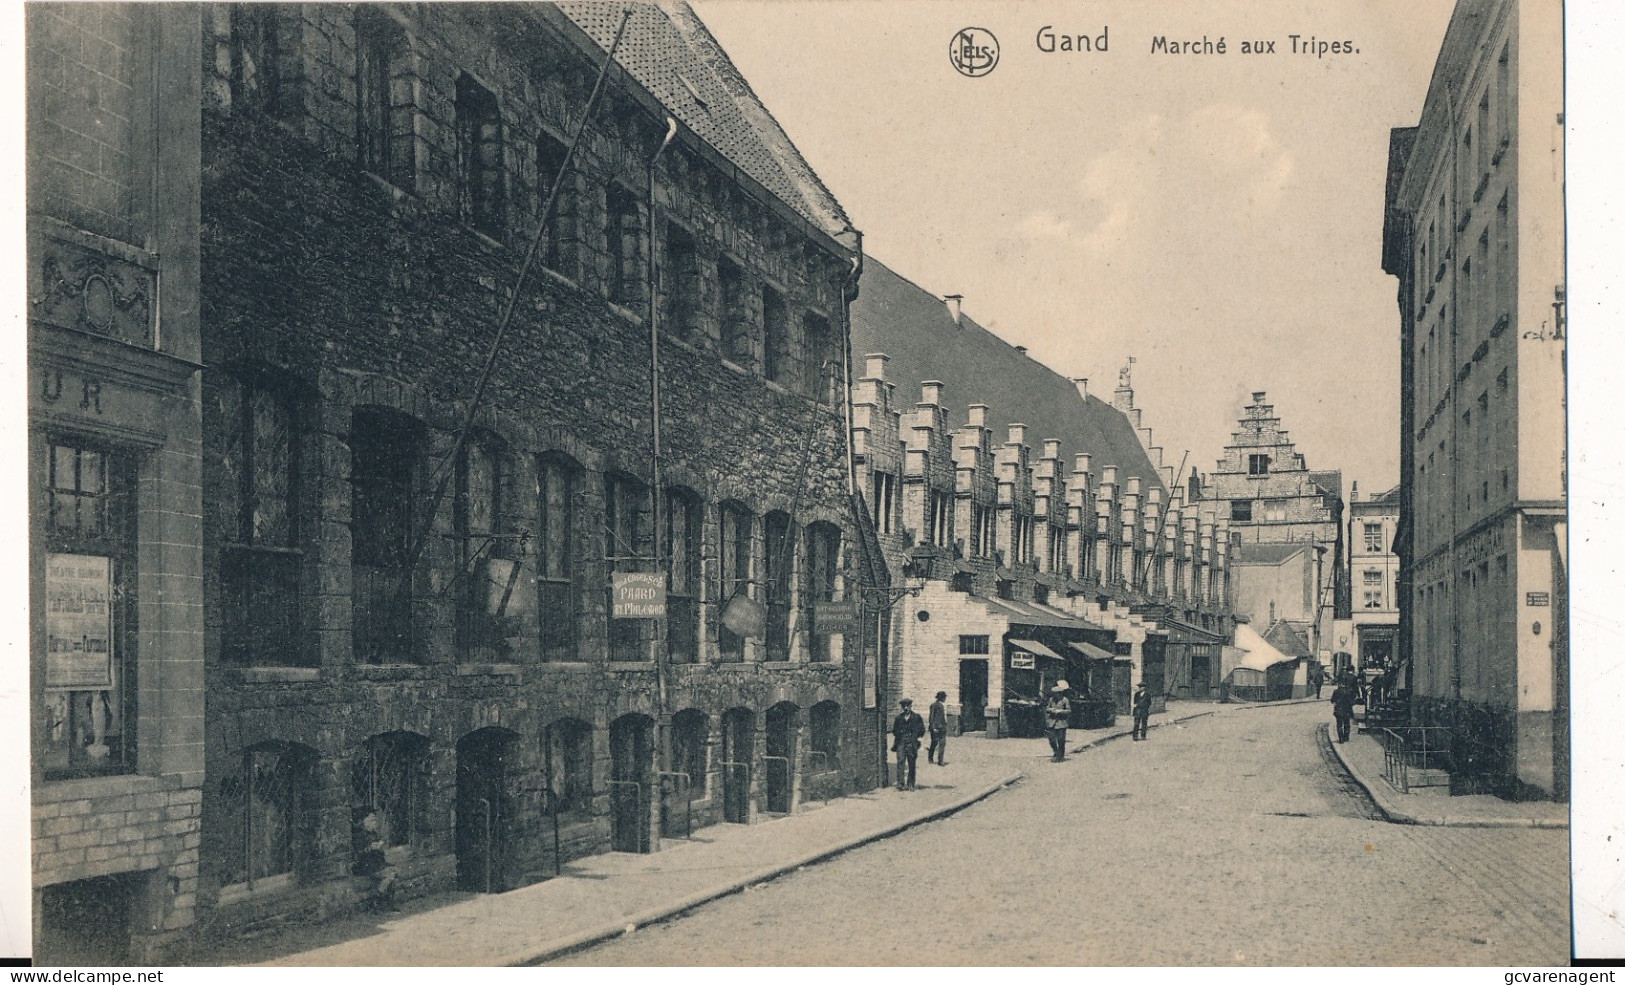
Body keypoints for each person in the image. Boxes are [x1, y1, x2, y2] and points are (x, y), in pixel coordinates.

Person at [351, 808, 398, 910]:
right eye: (372, 820)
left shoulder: (374, 834)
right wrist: (370, 847)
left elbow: (380, 851)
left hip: (376, 864)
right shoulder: (360, 836)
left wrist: (380, 846)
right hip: (365, 865)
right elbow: (359, 853)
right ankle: (376, 899)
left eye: (375, 820)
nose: (375, 823)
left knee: (392, 876)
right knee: (391, 874)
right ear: (365, 822)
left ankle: (385, 902)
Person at [891, 698, 926, 790]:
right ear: (902, 707)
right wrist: (900, 733)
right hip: (901, 743)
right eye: (904, 706)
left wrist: (917, 739)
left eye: (907, 706)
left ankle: (911, 784)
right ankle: (900, 784)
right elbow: (894, 731)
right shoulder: (898, 718)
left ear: (911, 706)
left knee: (911, 764)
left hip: (912, 743)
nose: (906, 708)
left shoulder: (917, 717)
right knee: (900, 762)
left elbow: (922, 730)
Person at [1044, 681, 1072, 762]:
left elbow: (1068, 710)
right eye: (1054, 693)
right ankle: (1056, 752)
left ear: (1060, 693)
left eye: (1056, 693)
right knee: (1051, 739)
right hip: (1051, 722)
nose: (1055, 695)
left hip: (1061, 723)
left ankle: (1060, 755)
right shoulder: (1051, 700)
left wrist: (1060, 711)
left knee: (1061, 740)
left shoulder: (1065, 700)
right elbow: (1047, 708)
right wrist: (1051, 710)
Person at [927, 691, 949, 766]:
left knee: (942, 744)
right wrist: (933, 727)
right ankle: (930, 757)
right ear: (941, 698)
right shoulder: (934, 705)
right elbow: (931, 717)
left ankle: (940, 761)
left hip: (942, 728)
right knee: (934, 743)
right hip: (935, 728)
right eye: (944, 697)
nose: (945, 698)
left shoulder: (943, 705)